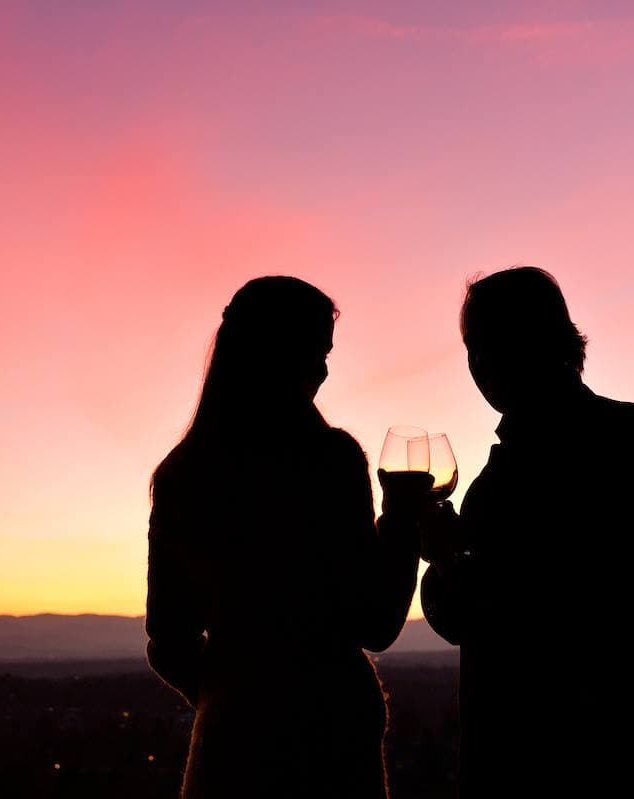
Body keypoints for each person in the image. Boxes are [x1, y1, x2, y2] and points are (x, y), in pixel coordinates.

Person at [420, 267, 634, 798]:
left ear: (546, 340)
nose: (477, 363)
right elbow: (462, 615)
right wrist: (449, 562)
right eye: (472, 346)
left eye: (492, 341)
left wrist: (460, 568)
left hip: (602, 764)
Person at [146, 276, 428, 798]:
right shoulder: (329, 461)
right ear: (278, 354)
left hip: (228, 754)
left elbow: (168, 642)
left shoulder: (182, 475)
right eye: (314, 352)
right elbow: (377, 622)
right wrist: (402, 520)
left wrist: (231, 696)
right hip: (332, 750)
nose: (322, 370)